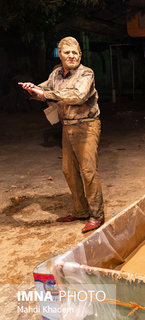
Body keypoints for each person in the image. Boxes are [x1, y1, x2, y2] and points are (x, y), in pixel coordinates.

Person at [19, 36, 104, 233]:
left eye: (75, 52)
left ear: (80, 55)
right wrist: (31, 89)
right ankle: (81, 210)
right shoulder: (56, 74)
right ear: (60, 54)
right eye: (67, 52)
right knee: (68, 170)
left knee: (88, 171)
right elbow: (44, 90)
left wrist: (45, 94)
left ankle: (97, 215)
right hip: (67, 126)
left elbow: (78, 96)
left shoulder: (86, 74)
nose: (72, 56)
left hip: (87, 126)